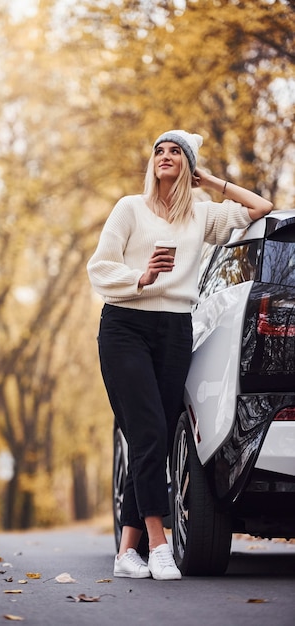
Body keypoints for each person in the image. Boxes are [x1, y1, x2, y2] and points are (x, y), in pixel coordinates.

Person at [87, 129, 273, 581]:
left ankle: (126, 553)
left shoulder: (200, 217)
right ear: (151, 163)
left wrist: (208, 180)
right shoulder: (130, 208)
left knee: (153, 436)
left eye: (176, 152)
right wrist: (142, 275)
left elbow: (260, 209)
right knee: (150, 433)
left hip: (174, 330)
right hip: (125, 326)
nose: (165, 157)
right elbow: (100, 267)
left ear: (187, 166)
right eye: (160, 151)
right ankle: (158, 543)